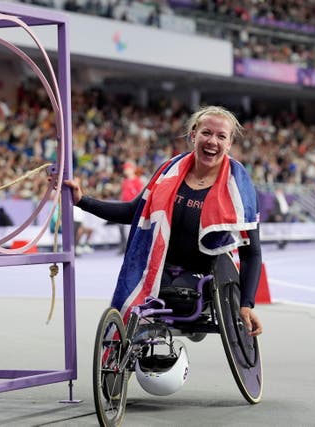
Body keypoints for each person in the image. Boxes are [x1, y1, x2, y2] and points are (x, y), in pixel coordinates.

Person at [64, 105, 263, 337]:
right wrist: (81, 200)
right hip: (158, 264)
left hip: (203, 272)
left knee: (178, 299)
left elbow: (252, 252)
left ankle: (186, 324)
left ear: (229, 144)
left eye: (221, 136)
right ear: (193, 135)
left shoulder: (238, 188)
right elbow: (132, 212)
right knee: (143, 296)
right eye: (206, 133)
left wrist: (247, 304)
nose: (212, 141)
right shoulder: (168, 172)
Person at [117, 161, 144, 253]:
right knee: (123, 229)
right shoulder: (124, 181)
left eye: (127, 168)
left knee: (131, 230)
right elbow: (123, 194)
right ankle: (125, 247)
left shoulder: (137, 181)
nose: (125, 170)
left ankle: (134, 248)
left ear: (132, 169)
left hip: (133, 208)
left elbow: (141, 195)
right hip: (124, 206)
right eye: (125, 169)